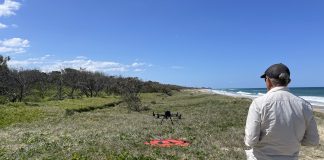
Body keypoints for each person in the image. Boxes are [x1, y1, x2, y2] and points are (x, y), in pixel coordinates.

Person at [244, 63, 319, 160]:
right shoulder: (305, 105)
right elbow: (312, 141)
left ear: (268, 80)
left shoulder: (258, 103)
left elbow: (251, 140)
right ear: (288, 81)